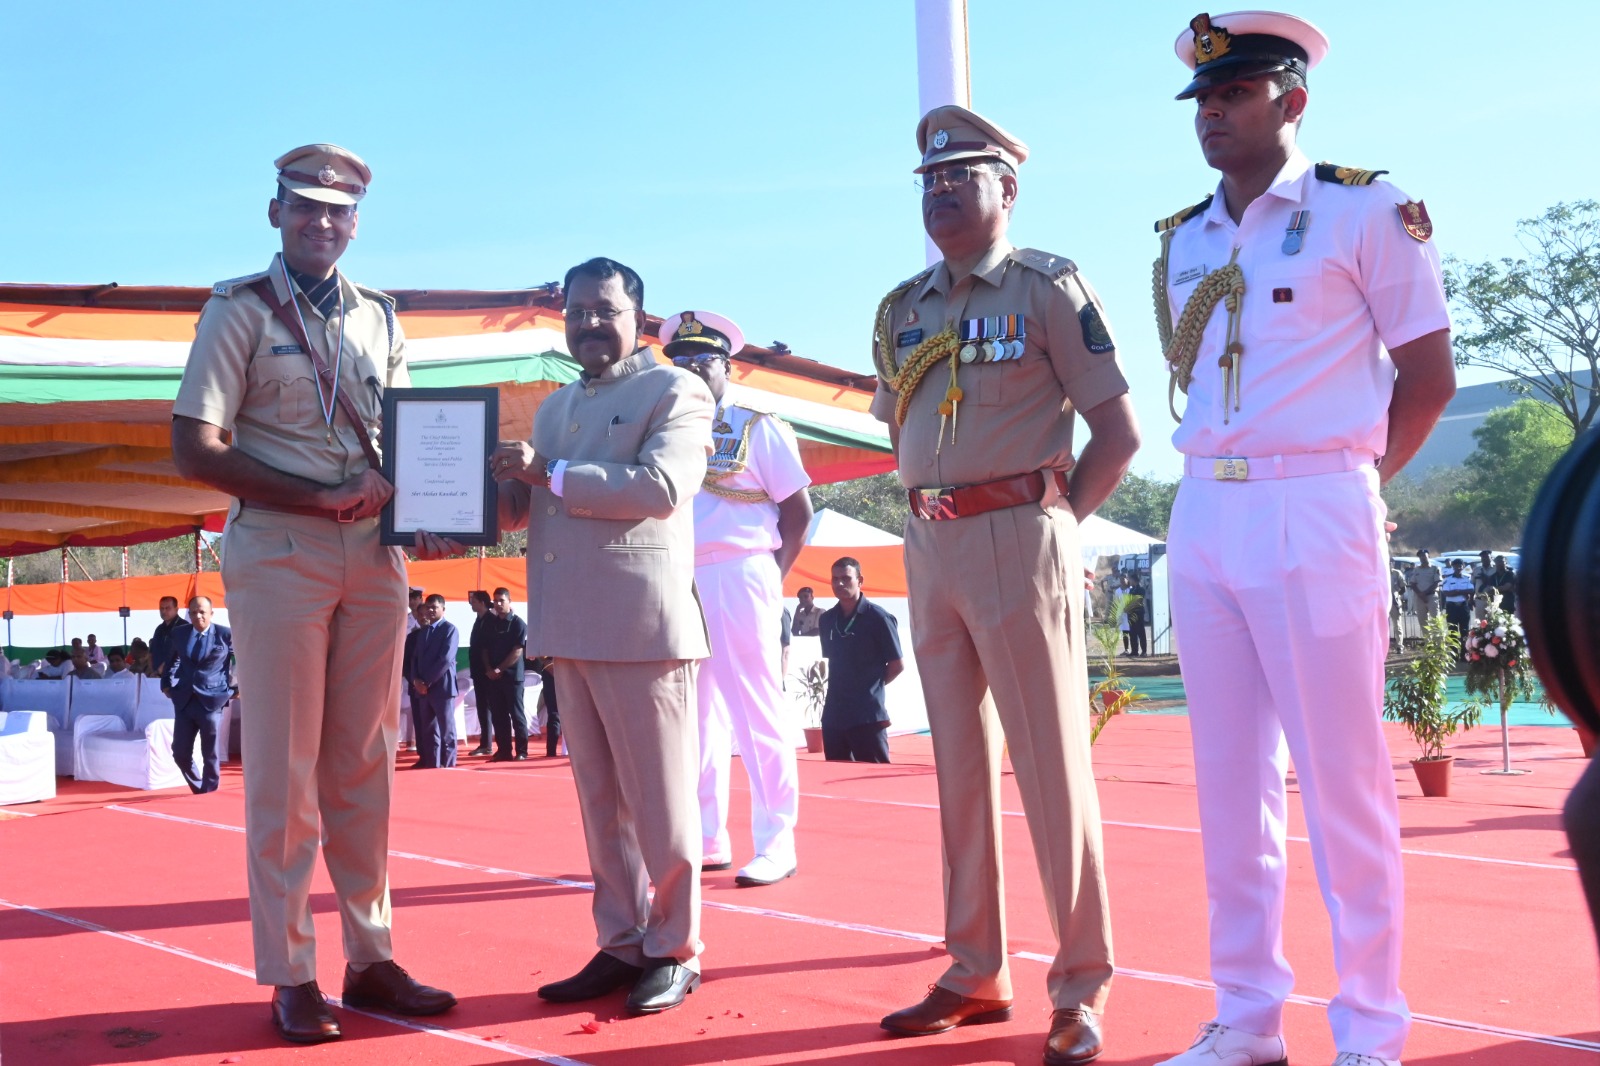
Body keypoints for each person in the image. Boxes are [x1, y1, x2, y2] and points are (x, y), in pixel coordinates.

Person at [1152, 13, 1457, 1066]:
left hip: (1317, 501)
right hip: (1205, 509)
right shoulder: (1184, 238)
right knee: (1228, 786)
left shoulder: (1364, 209)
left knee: (1342, 785)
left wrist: (1353, 486)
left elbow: (1429, 379)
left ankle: (1369, 1026)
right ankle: (1245, 1013)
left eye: (1234, 93)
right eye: (1204, 99)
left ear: (1293, 99)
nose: (1213, 114)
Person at [870, 104, 1140, 1066]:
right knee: (957, 771)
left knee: (1051, 770)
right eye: (930, 181)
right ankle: (974, 967)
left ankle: (1082, 985)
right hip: (930, 543)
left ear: (1007, 189)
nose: (941, 191)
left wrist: (1054, 526)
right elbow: (898, 425)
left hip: (1020, 538)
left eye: (961, 177)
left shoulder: (1047, 288)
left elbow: (1119, 433)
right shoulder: (902, 308)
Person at [170, 143, 454, 1044]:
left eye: (337, 210)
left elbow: (410, 438)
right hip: (280, 548)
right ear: (276, 212)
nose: (320, 221)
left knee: (366, 764)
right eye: (304, 205)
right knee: (285, 770)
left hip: (374, 557)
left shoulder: (379, 316)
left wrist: (434, 506)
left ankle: (371, 957)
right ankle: (292, 972)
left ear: (356, 223)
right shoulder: (239, 310)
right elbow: (195, 448)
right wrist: (316, 496)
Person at [488, 257, 714, 1015]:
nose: (588, 323)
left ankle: (676, 948)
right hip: (569, 626)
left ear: (638, 317)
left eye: (604, 310)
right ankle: (621, 941)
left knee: (662, 805)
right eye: (577, 311)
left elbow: (662, 488)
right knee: (601, 805)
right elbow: (526, 506)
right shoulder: (554, 407)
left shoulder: (676, 389)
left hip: (643, 626)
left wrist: (547, 471)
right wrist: (460, 500)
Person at [665, 308, 814, 887]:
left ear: (727, 366)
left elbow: (798, 512)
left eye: (703, 360)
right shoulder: (663, 428)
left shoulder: (756, 426)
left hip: (740, 569)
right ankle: (708, 836)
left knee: (756, 711)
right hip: (681, 577)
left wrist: (771, 575)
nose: (691, 369)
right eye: (680, 360)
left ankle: (778, 841)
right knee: (695, 715)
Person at [816, 557, 903, 762]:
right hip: (834, 715)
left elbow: (897, 665)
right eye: (835, 579)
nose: (839, 583)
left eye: (846, 578)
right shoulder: (827, 620)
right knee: (835, 775)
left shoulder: (879, 618)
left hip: (867, 715)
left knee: (874, 773)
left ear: (860, 580)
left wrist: (871, 686)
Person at [163, 596, 235, 794]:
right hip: (184, 700)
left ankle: (209, 791)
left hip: (212, 700)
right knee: (180, 752)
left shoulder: (225, 634)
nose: (198, 616)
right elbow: (172, 660)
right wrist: (166, 683)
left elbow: (241, 659)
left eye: (202, 612)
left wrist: (235, 687)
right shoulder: (179, 633)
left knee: (209, 752)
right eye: (193, 612)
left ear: (211, 613)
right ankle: (199, 788)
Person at [403, 593, 460, 769]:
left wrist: (426, 682)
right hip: (422, 690)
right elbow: (414, 659)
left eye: (434, 607)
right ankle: (432, 764)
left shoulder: (450, 630)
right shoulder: (423, 632)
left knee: (446, 730)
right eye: (428, 607)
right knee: (428, 730)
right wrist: (415, 681)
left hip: (441, 688)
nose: (431, 610)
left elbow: (445, 659)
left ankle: (448, 764)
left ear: (443, 609)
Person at [481, 587, 529, 761]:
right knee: (498, 715)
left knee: (516, 715)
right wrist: (489, 669)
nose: (498, 604)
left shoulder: (518, 623)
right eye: (495, 601)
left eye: (501, 600)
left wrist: (498, 670)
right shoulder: (490, 624)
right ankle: (504, 751)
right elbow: (484, 649)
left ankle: (522, 751)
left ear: (509, 601)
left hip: (512, 678)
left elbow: (517, 651)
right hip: (493, 678)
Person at [465, 590, 494, 755]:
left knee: (489, 707)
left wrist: (489, 668)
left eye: (474, 601)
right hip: (478, 670)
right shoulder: (479, 620)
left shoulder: (490, 620)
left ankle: (488, 744)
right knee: (482, 707)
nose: (471, 604)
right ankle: (485, 743)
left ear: (482, 602)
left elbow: (488, 647)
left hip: (487, 671)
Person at [1441, 558, 1475, 656]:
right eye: (1456, 566)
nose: (1458, 568)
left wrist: (1456, 591)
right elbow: (1446, 593)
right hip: (1452, 607)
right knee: (1452, 631)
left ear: (1463, 567)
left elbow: (1471, 590)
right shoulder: (1448, 579)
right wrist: (1462, 592)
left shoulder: (1467, 578)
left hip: (1463, 606)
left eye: (1460, 566)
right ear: (1453, 567)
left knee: (1465, 631)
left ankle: (1465, 654)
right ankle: (1454, 654)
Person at [1406, 549, 1442, 630]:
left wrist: (1425, 593)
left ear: (1428, 556)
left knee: (1435, 620)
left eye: (1424, 556)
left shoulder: (1435, 568)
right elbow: (1413, 583)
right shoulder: (1416, 569)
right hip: (1419, 598)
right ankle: (1426, 638)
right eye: (1420, 556)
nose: (1422, 558)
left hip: (1431, 596)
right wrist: (1420, 594)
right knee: (1423, 622)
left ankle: (1438, 638)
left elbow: (1436, 583)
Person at [148, 596, 182, 679]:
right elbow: (151, 653)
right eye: (161, 608)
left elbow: (177, 654)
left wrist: (159, 671)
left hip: (175, 677)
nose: (164, 611)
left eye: (167, 608)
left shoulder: (183, 627)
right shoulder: (159, 629)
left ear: (176, 609)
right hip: (156, 677)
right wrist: (152, 671)